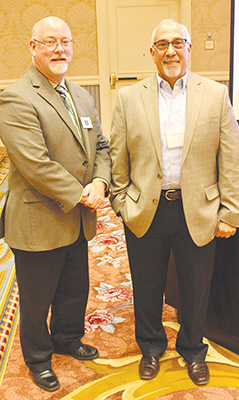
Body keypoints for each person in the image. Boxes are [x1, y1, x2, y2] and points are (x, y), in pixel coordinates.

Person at [110, 19, 239, 386]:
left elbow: (230, 157)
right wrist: (121, 202)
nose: (171, 51)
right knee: (147, 285)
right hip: (146, 210)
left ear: (188, 48)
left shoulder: (215, 94)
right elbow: (118, 157)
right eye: (162, 45)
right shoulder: (129, 97)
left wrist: (230, 211)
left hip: (198, 209)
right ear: (151, 53)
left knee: (196, 287)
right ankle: (151, 347)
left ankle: (193, 349)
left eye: (178, 43)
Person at [0, 16, 111, 392]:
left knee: (75, 288)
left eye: (65, 41)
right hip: (38, 218)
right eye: (49, 42)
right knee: (36, 298)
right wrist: (83, 193)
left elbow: (100, 147)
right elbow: (35, 164)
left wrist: (100, 180)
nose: (59, 49)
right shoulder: (17, 96)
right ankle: (38, 358)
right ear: (33, 47)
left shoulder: (79, 94)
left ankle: (67, 339)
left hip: (77, 218)